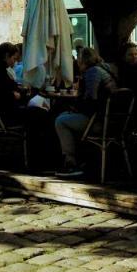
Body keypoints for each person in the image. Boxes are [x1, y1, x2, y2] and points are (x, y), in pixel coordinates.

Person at [54, 46, 115, 179]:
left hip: (98, 121)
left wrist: (77, 103)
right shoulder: (106, 69)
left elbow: (90, 100)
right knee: (64, 116)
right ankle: (79, 159)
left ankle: (71, 163)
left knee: (60, 121)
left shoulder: (92, 73)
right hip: (112, 119)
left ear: (83, 61)